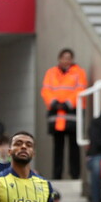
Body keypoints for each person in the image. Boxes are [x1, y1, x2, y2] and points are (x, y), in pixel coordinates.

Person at [41, 48, 88, 180]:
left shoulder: (79, 72)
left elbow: (80, 89)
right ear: (59, 59)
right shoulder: (51, 72)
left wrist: (68, 103)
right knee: (58, 147)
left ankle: (75, 175)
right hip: (56, 115)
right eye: (64, 58)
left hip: (72, 113)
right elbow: (46, 90)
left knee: (74, 146)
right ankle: (57, 176)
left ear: (72, 59)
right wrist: (53, 103)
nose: (66, 60)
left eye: (69, 58)